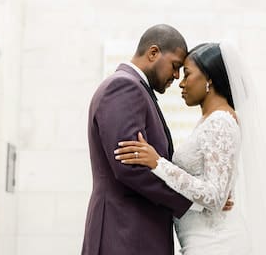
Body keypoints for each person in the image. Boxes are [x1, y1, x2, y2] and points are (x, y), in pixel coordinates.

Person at [114, 42, 266, 255]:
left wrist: (158, 163)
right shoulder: (209, 120)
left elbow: (215, 196)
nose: (181, 83)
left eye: (187, 74)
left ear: (209, 80)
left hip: (217, 244)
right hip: (202, 242)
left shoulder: (221, 122)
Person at [81, 24, 194, 255]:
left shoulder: (136, 88)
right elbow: (130, 166)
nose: (176, 76)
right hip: (124, 234)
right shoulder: (124, 87)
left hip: (133, 233)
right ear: (153, 53)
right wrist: (192, 200)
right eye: (175, 66)